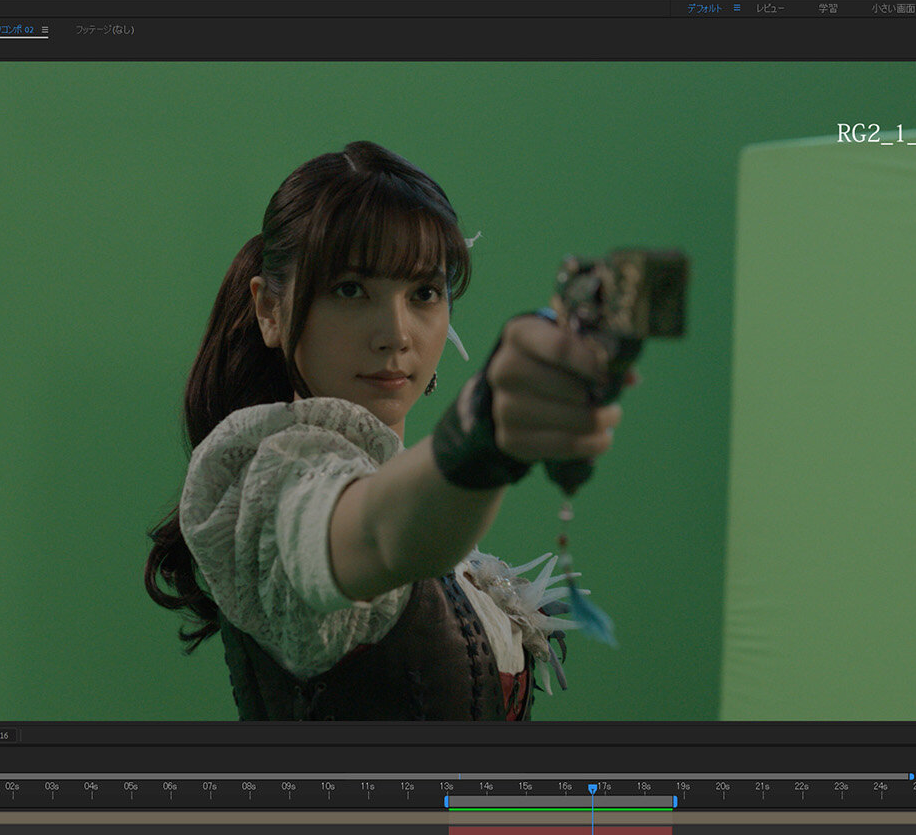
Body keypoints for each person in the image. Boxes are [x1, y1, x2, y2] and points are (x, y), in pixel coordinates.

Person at [144, 141, 633, 720]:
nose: (396, 333)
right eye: (350, 289)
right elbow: (379, 532)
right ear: (269, 310)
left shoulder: (409, 487)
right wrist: (483, 435)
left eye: (423, 293)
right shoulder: (272, 483)